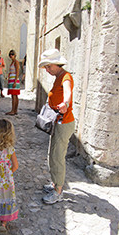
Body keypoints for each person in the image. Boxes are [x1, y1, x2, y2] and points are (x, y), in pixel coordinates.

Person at [38, 49, 75, 204]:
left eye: (48, 66)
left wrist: (66, 103)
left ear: (56, 64)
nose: (47, 70)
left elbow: (67, 91)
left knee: (57, 156)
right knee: (52, 154)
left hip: (64, 122)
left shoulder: (66, 77)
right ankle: (55, 184)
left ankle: (58, 191)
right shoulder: (58, 76)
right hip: (58, 122)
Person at [6, 50, 20, 115]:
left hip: (14, 79)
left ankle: (13, 110)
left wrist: (15, 82)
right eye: (10, 54)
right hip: (12, 79)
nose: (11, 55)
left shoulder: (16, 62)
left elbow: (17, 72)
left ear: (15, 55)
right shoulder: (12, 62)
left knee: (14, 95)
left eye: (12, 54)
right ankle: (15, 110)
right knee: (14, 95)